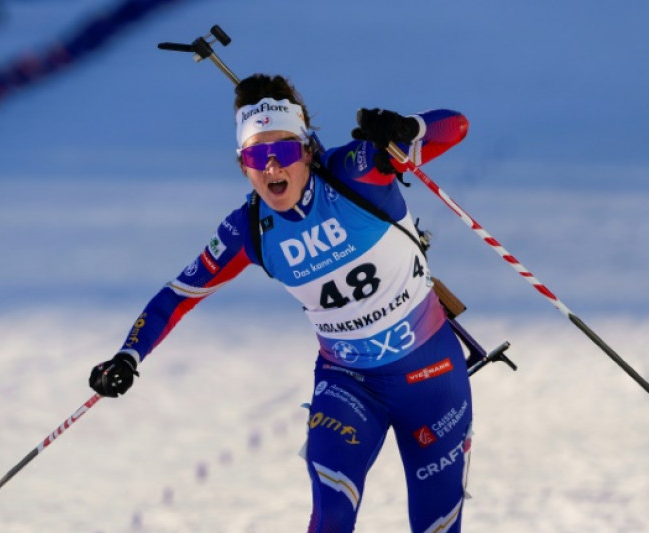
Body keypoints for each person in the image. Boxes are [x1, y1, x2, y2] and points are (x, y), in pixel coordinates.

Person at [90, 73, 473, 532]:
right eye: (257, 156)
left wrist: (405, 128)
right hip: (348, 383)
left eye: (284, 151)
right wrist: (128, 355)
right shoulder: (248, 229)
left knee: (437, 525)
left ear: (307, 150)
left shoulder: (357, 169)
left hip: (429, 373)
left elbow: (456, 126)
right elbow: (178, 294)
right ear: (242, 166)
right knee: (330, 516)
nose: (273, 168)